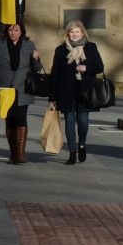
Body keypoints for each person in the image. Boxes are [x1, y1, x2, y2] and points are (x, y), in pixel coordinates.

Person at [49, 20, 104, 166]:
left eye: (77, 32)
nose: (74, 34)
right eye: (71, 32)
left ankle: (82, 144)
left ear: (82, 32)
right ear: (67, 34)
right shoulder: (60, 50)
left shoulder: (90, 47)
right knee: (69, 122)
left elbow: (99, 66)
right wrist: (52, 97)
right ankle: (72, 153)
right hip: (66, 92)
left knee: (83, 123)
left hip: (84, 92)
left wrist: (86, 68)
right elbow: (55, 74)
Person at [0, 22, 42, 164]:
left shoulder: (29, 45)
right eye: (10, 29)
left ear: (21, 31)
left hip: (23, 87)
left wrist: (36, 58)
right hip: (5, 87)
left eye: (16, 30)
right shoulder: (0, 44)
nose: (13, 32)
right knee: (9, 119)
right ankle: (13, 154)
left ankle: (21, 154)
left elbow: (37, 68)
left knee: (21, 118)